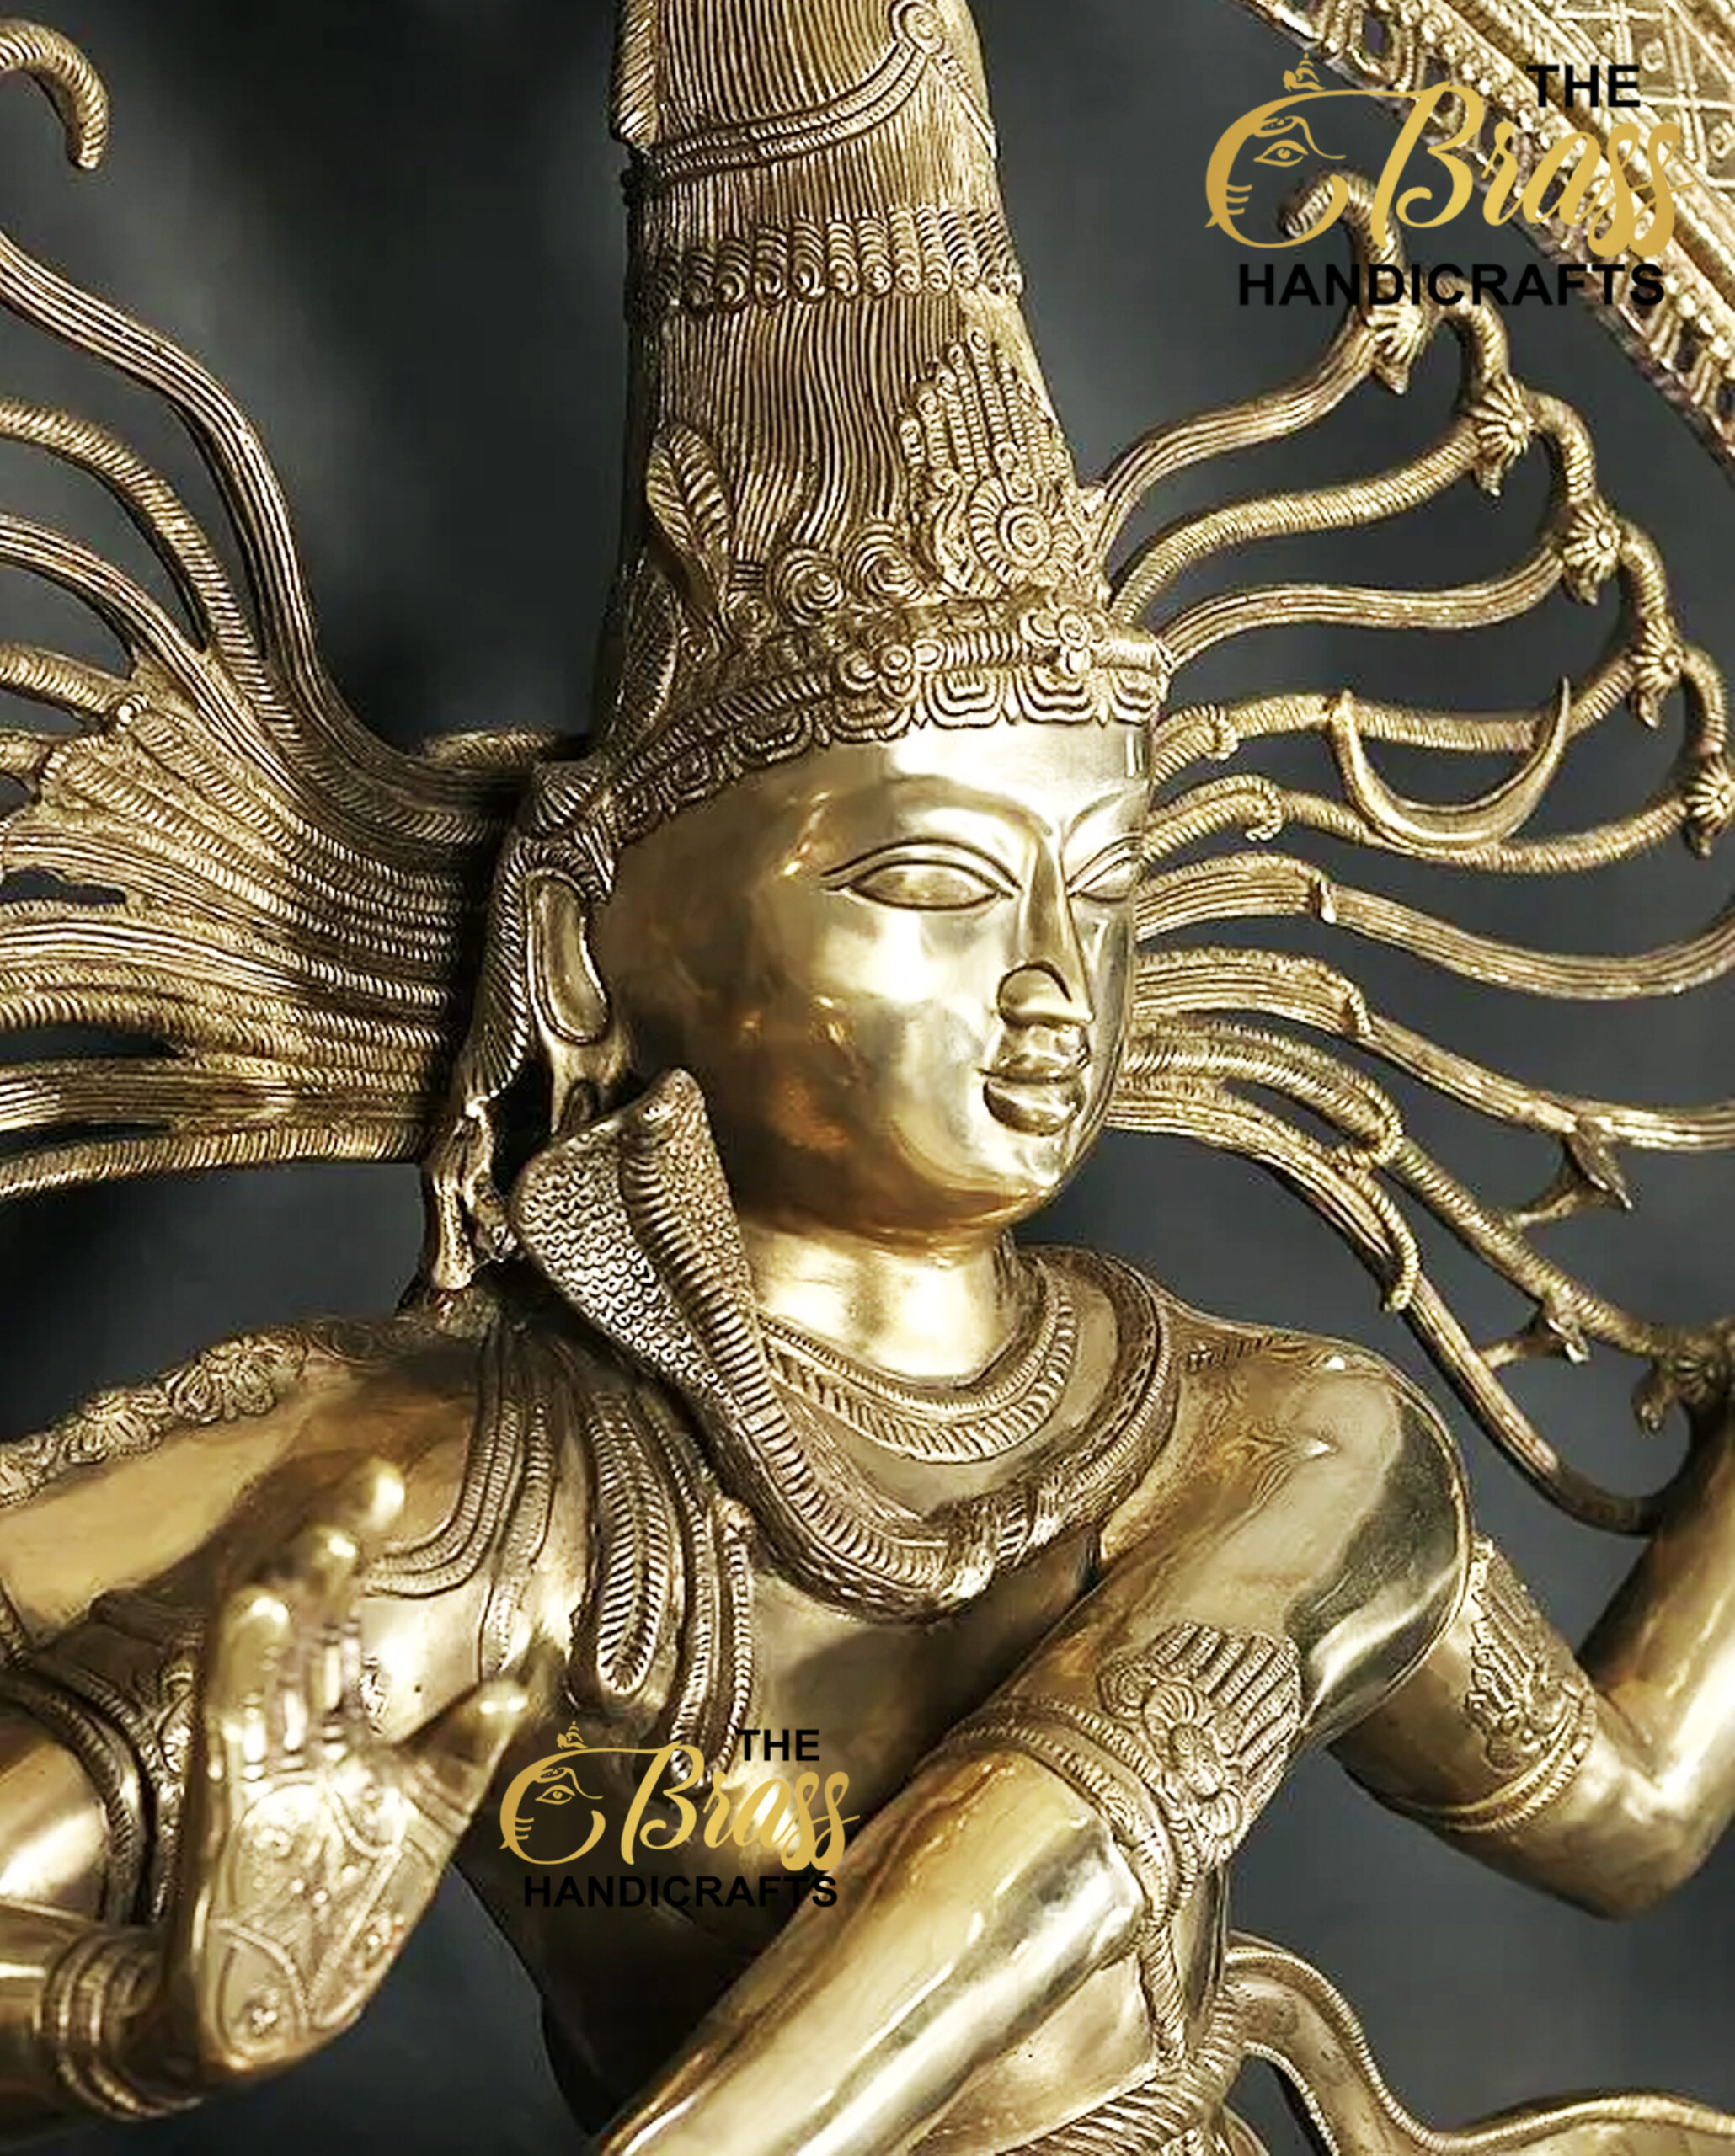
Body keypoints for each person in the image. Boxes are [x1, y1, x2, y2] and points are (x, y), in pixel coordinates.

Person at [1, 3, 1734, 2148]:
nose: (1050, 984)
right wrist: (136, 2014)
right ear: (585, 946)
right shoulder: (459, 1491)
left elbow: (1629, 1805)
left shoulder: (1279, 1442)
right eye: (928, 880)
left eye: (1100, 888)